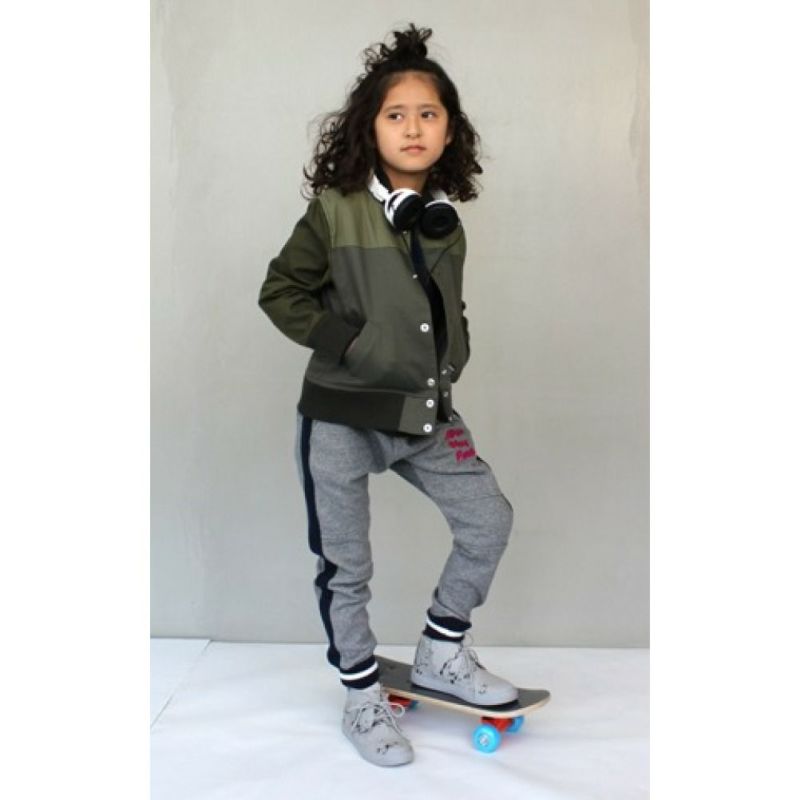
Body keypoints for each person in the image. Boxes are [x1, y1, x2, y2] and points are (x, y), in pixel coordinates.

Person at [258, 24, 517, 767]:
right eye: (395, 114)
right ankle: (362, 697)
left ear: (449, 131)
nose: (412, 127)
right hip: (341, 417)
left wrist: (452, 354)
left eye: (428, 114)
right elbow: (280, 292)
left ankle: (442, 650)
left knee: (488, 518)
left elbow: (445, 309)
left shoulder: (442, 222)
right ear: (370, 129)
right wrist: (355, 345)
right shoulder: (335, 210)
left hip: (423, 414)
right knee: (348, 566)